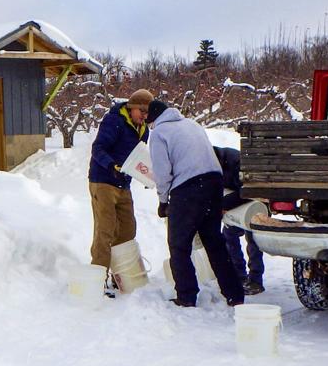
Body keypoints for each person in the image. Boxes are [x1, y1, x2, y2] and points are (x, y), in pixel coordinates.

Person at [147, 100, 245, 307]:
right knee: (214, 242)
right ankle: (235, 294)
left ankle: (186, 296)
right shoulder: (191, 124)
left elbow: (163, 173)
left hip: (188, 189)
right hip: (214, 183)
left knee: (179, 245)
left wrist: (163, 202)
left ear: (152, 120)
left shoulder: (158, 133)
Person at [88, 89, 152, 293]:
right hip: (103, 180)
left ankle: (122, 274)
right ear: (131, 107)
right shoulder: (114, 121)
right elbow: (98, 148)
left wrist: (146, 175)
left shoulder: (144, 130)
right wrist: (111, 166)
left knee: (127, 229)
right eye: (141, 110)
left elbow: (139, 157)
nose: (144, 115)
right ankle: (97, 279)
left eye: (147, 112)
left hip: (123, 183)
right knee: (105, 230)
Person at [214, 146, 265, 295]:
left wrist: (222, 205)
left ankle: (256, 279)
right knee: (229, 234)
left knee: (253, 238)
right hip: (234, 202)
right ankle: (239, 275)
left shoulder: (236, 161)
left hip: (255, 199)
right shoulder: (212, 164)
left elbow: (247, 191)